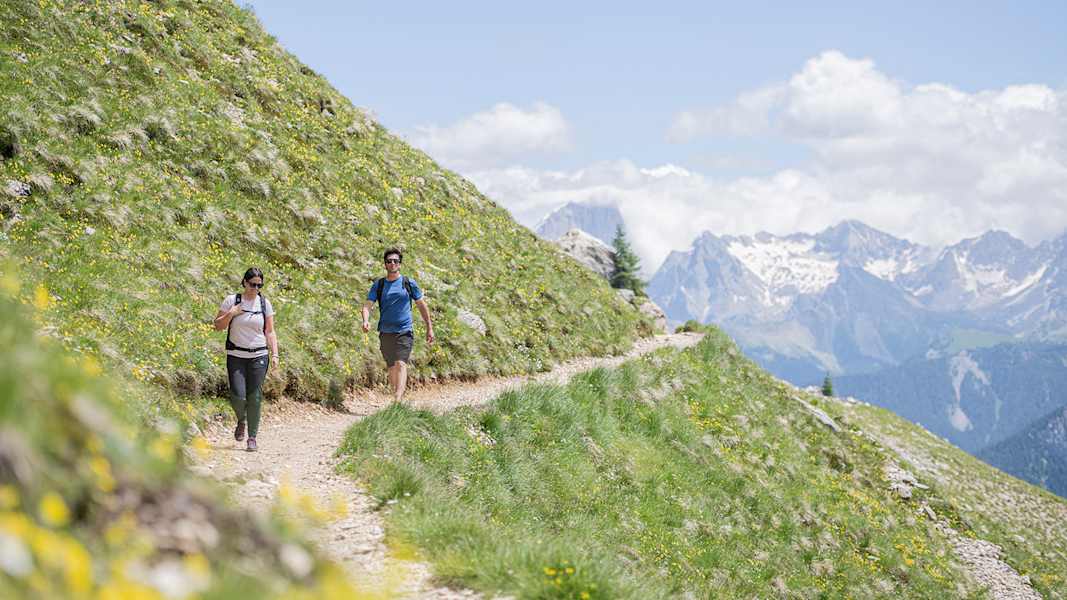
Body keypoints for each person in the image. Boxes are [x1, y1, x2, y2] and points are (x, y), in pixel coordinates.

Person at [213, 267, 278, 452]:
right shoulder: (232, 301)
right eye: (252, 284)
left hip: (259, 355)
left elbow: (270, 331)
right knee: (237, 395)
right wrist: (231, 313)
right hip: (236, 356)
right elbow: (217, 326)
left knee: (254, 396)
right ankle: (241, 420)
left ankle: (252, 437)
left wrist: (275, 354)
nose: (255, 288)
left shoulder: (264, 303)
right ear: (244, 282)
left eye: (259, 285)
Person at [362, 248, 434, 403]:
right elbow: (367, 305)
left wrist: (429, 327)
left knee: (401, 363)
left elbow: (422, 305)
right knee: (391, 367)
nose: (392, 263)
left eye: (395, 261)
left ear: (400, 264)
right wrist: (366, 320)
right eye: (389, 261)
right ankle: (396, 393)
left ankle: (397, 399)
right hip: (385, 331)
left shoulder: (408, 283)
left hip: (404, 330)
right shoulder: (379, 285)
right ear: (385, 264)